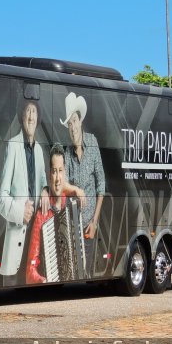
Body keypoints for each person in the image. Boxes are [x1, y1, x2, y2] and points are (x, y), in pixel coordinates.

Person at [0, 98, 47, 285]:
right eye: (28, 112)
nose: (31, 116)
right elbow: (1, 198)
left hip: (36, 235)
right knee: (12, 286)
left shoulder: (40, 151)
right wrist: (20, 211)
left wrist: (44, 189)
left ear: (38, 118)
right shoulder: (13, 145)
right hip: (18, 235)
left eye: (34, 112)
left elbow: (43, 181)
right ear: (22, 117)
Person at [60, 92, 105, 278]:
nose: (73, 128)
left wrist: (94, 222)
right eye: (69, 124)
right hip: (71, 225)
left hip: (88, 225)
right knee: (73, 272)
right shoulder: (66, 153)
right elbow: (63, 185)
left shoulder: (93, 142)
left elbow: (101, 184)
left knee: (87, 272)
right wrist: (75, 190)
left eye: (75, 121)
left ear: (81, 122)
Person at [26, 143, 68, 284]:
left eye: (60, 171)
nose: (57, 178)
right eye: (54, 171)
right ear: (49, 174)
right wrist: (44, 280)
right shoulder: (41, 215)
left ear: (65, 172)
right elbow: (30, 271)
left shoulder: (70, 207)